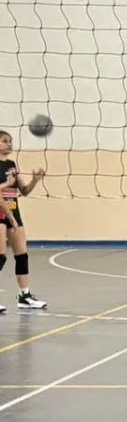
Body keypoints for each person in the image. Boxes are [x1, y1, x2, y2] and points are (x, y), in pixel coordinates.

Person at [0, 129, 48, 312]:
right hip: (1, 213)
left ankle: (24, 296)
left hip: (13, 211)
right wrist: (6, 184)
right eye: (4, 141)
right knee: (0, 257)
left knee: (22, 255)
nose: (9, 144)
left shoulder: (11, 165)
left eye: (10, 141)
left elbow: (24, 191)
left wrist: (35, 180)